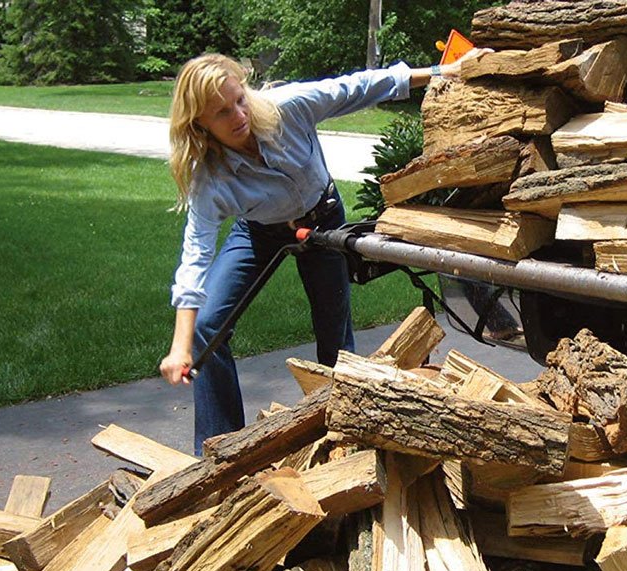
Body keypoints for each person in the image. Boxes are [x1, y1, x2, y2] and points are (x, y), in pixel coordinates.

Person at [158, 51, 481, 454]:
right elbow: (195, 257)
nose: (238, 115)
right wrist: (180, 346)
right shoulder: (210, 178)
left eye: (239, 99)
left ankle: (340, 441)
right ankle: (220, 448)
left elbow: (359, 86)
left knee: (334, 337)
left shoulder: (287, 108)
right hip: (260, 231)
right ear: (200, 124)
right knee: (208, 328)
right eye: (222, 113)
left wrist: (439, 71)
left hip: (321, 219)